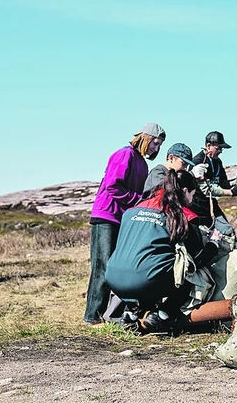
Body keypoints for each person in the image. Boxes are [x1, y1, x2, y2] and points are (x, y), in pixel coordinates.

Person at [105, 169, 223, 333]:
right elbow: (196, 260)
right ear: (185, 191)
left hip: (113, 279)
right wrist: (214, 243)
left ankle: (131, 314)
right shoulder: (183, 216)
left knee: (152, 268)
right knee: (188, 275)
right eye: (192, 194)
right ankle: (163, 314)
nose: (192, 199)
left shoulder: (134, 209)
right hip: (146, 280)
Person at [84, 123, 166, 326]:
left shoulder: (142, 163)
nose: (156, 148)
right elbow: (113, 185)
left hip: (122, 219)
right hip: (106, 216)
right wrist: (137, 201)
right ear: (145, 138)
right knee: (103, 266)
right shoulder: (125, 155)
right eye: (155, 143)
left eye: (159, 145)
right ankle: (92, 316)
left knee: (116, 267)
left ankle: (111, 313)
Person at [190, 131, 236, 237]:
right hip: (196, 207)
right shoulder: (198, 162)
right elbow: (205, 190)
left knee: (228, 232)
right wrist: (231, 192)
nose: (220, 151)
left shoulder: (218, 162)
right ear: (208, 146)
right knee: (201, 236)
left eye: (222, 149)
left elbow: (223, 183)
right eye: (218, 148)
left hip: (211, 205)